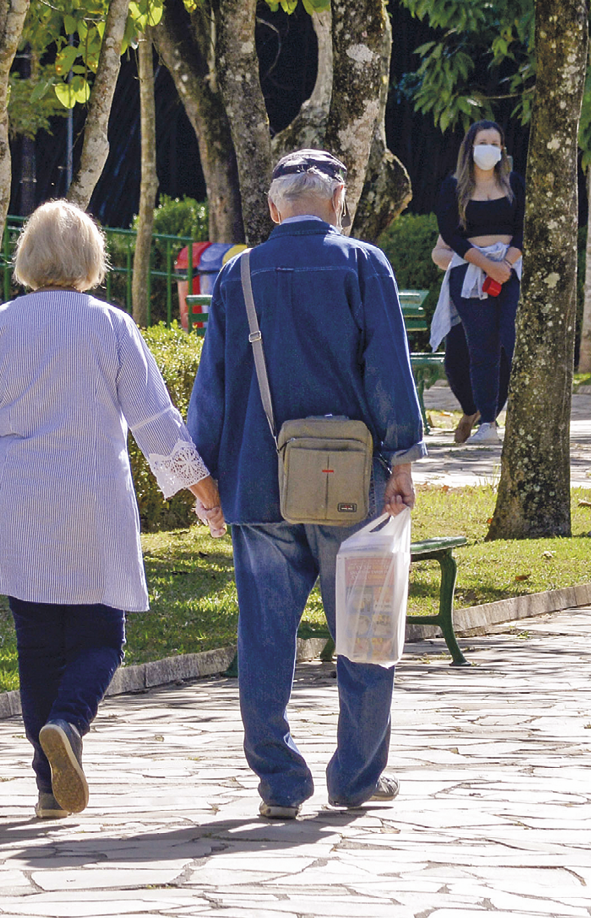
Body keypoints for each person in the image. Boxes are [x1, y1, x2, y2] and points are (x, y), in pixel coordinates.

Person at [0, 200, 226, 820]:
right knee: (102, 636)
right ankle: (69, 727)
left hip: (15, 506)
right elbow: (154, 420)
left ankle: (47, 784)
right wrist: (205, 492)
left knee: (39, 643)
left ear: (26, 256)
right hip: (91, 500)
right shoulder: (111, 325)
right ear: (91, 258)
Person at [187, 150, 426, 819]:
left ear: (272, 207)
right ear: (339, 198)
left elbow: (215, 384)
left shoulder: (238, 274)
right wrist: (401, 461)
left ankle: (280, 784)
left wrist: (203, 483)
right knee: (365, 629)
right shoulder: (362, 263)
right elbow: (386, 369)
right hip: (353, 486)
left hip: (259, 485)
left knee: (263, 636)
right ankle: (354, 776)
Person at [434, 120, 524, 445]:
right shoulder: (453, 187)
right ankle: (487, 422)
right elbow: (451, 235)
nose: (488, 147)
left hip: (510, 270)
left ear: (502, 149)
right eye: (481, 141)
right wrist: (486, 264)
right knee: (481, 348)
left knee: (512, 342)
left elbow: (523, 228)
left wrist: (505, 265)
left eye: (494, 142)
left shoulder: (514, 183)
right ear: (470, 147)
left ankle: (520, 417)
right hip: (469, 271)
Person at [431, 235, 510, 444]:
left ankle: (487, 418)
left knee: (499, 360)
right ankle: (469, 411)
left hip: (503, 291)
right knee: (455, 363)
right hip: (464, 295)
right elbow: (438, 253)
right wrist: (476, 262)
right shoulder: (461, 209)